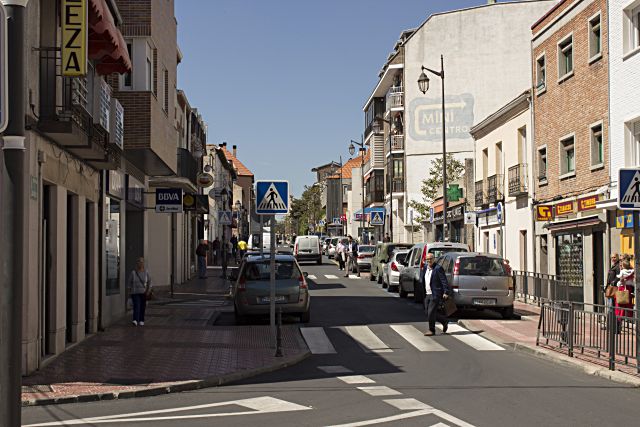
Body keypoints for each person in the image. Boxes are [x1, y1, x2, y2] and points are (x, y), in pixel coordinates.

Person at [419, 253, 451, 336]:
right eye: (427, 259)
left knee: (430, 313)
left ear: (434, 259)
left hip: (435, 293)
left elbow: (444, 281)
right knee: (427, 312)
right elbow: (423, 279)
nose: (429, 260)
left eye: (431, 259)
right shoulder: (425, 267)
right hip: (427, 293)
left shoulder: (438, 268)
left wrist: (446, 292)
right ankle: (444, 321)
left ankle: (431, 330)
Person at [128, 257, 152, 326]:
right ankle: (135, 320)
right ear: (137, 263)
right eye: (139, 262)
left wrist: (148, 290)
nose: (140, 263)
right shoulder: (133, 272)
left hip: (143, 292)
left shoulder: (146, 272)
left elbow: (150, 282)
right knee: (136, 305)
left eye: (141, 262)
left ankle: (141, 320)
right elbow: (129, 283)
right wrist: (129, 291)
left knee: (142, 306)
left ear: (143, 263)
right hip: (135, 292)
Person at [615, 260, 635, 334]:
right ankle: (629, 320)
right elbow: (633, 283)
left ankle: (618, 327)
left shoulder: (622, 272)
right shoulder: (632, 272)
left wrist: (619, 282)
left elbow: (619, 283)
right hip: (629, 292)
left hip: (622, 291)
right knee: (628, 308)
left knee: (619, 310)